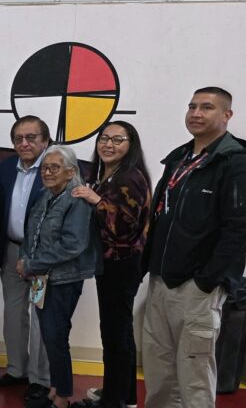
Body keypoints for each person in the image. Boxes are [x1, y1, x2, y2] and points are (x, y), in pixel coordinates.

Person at [140, 87, 246, 408]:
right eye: (192, 106)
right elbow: (160, 217)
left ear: (227, 115)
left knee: (194, 374)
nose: (196, 113)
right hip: (161, 280)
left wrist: (207, 279)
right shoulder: (179, 158)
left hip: (197, 288)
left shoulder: (236, 162)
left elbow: (243, 228)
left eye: (207, 107)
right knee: (158, 369)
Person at [70, 121, 151, 408]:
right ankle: (122, 395)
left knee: (116, 333)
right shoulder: (109, 174)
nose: (108, 144)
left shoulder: (129, 177)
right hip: (113, 263)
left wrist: (96, 200)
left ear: (131, 145)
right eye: (104, 138)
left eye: (118, 140)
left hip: (122, 264)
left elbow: (124, 227)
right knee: (118, 330)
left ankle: (114, 399)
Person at [18, 145, 100, 408]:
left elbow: (72, 245)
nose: (47, 173)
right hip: (41, 279)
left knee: (56, 337)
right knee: (50, 336)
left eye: (55, 168)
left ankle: (63, 397)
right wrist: (25, 260)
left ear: (71, 172)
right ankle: (55, 389)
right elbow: (31, 233)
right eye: (45, 167)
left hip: (63, 280)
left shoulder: (77, 200)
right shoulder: (45, 196)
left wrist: (32, 264)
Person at [0, 116, 52, 397]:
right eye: (18, 138)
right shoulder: (4, 169)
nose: (24, 143)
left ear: (45, 141)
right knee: (12, 312)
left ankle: (40, 379)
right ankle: (16, 369)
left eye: (31, 137)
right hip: (11, 250)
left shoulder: (56, 169)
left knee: (41, 317)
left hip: (42, 256)